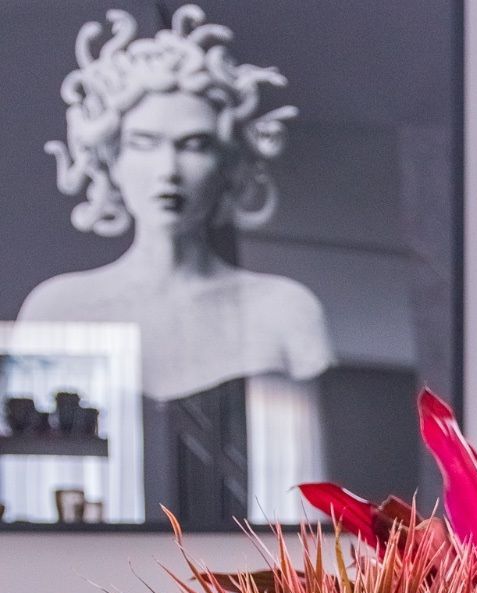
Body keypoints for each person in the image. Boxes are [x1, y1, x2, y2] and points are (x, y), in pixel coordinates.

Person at [15, 6, 331, 522]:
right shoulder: (57, 307)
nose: (168, 170)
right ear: (109, 157)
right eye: (144, 143)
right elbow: (31, 498)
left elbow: (311, 515)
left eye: (194, 145)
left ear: (228, 162)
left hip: (246, 589)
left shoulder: (286, 311)